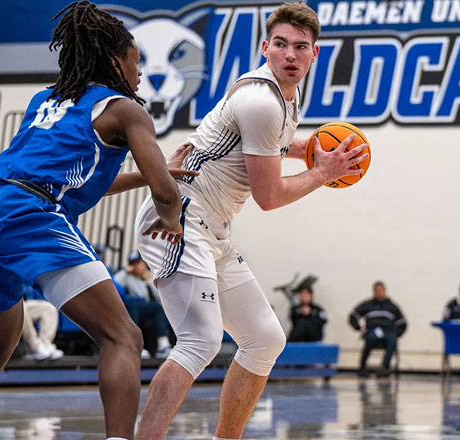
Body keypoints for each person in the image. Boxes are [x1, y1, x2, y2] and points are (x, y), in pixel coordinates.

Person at [0, 2, 195, 439]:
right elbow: (166, 194)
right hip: (28, 214)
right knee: (124, 338)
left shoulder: (47, 99)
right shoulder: (126, 110)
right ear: (114, 61)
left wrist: (149, 174)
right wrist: (172, 222)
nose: (140, 75)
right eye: (135, 62)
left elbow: (74, 182)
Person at [133, 3, 368, 439]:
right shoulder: (262, 102)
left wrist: (312, 150)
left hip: (211, 226)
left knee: (265, 339)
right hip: (177, 219)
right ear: (265, 47)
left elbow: (269, 143)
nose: (290, 55)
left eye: (300, 47)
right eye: (281, 44)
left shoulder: (285, 96)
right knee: (200, 340)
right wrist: (323, 172)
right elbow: (269, 197)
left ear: (314, 53)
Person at [114, 252, 173, 359]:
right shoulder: (127, 277)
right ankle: (135, 346)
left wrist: (149, 280)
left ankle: (163, 346)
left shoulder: (150, 275)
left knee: (159, 307)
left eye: (138, 263)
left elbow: (159, 295)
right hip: (134, 307)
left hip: (148, 307)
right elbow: (114, 283)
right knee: (132, 304)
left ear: (144, 263)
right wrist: (125, 271)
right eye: (133, 264)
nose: (136, 266)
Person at [349, 281, 407, 377]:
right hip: (372, 329)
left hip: (388, 331)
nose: (379, 292)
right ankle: (362, 367)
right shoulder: (367, 305)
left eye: (381, 290)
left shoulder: (392, 306)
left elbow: (402, 322)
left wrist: (397, 333)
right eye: (377, 290)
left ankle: (384, 367)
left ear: (385, 291)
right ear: (374, 292)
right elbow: (353, 316)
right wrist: (358, 327)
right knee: (370, 338)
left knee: (392, 340)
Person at [21, 285, 64, 360]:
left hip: (16, 304)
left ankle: (45, 344)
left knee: (49, 308)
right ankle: (35, 347)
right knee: (21, 308)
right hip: (2, 311)